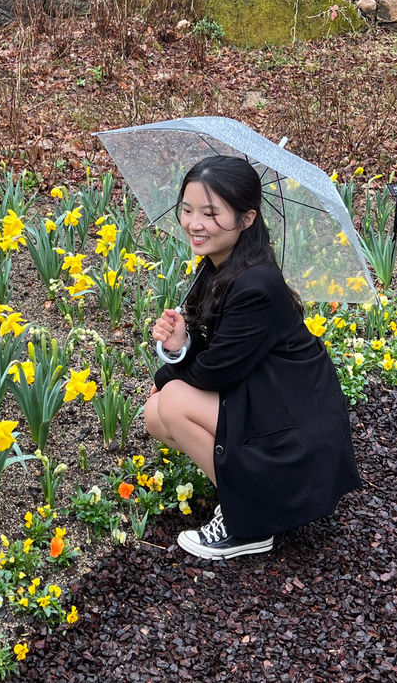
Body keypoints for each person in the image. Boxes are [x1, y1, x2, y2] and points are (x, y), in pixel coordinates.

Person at [144, 155, 361, 560]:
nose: (194, 223)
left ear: (246, 219)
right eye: (187, 210)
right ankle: (246, 494)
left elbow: (215, 372)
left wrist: (168, 369)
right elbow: (220, 355)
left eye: (211, 213)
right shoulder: (221, 267)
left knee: (170, 400)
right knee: (157, 412)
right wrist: (179, 345)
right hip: (267, 401)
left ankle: (249, 524)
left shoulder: (256, 285)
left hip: (296, 426)